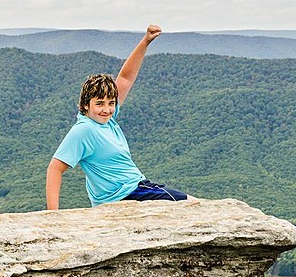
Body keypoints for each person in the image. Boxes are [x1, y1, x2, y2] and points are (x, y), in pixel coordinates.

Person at [46, 25, 193, 209]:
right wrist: (53, 215)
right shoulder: (85, 130)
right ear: (85, 104)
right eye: (99, 104)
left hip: (133, 190)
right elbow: (55, 169)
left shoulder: (104, 119)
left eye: (111, 103)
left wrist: (146, 41)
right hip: (131, 194)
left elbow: (125, 78)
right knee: (197, 206)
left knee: (199, 206)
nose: (107, 109)